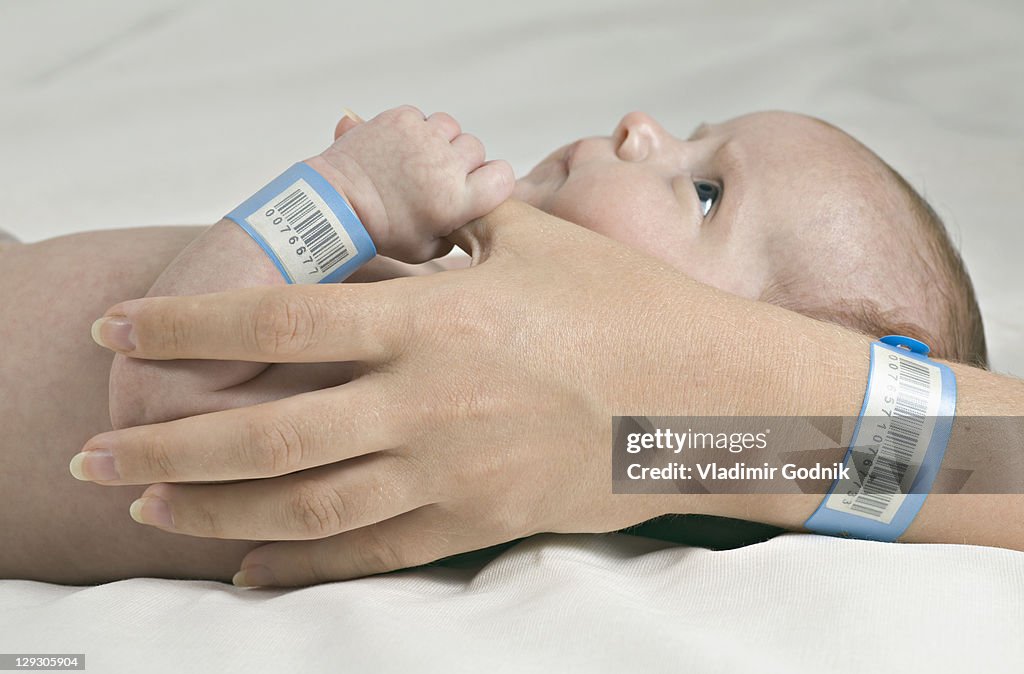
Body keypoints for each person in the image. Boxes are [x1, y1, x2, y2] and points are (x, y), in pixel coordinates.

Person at [0, 108, 1007, 586]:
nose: (640, 128)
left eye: (705, 190)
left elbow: (153, 403)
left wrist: (339, 199)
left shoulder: (436, 423)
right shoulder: (446, 311)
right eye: (695, 136)